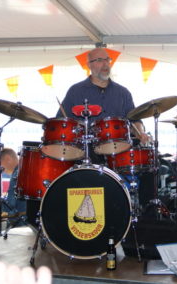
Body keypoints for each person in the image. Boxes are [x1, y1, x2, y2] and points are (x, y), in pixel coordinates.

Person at [57, 47, 153, 208]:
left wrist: (141, 133)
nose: (105, 64)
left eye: (107, 60)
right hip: (88, 149)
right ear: (89, 65)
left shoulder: (123, 92)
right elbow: (63, 121)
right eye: (99, 60)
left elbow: (135, 119)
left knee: (150, 166)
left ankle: (145, 215)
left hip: (119, 148)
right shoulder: (76, 91)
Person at [0, 148, 26, 218]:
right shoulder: (23, 170)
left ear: (8, 159)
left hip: (20, 223)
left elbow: (10, 205)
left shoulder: (17, 174)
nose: (0, 167)